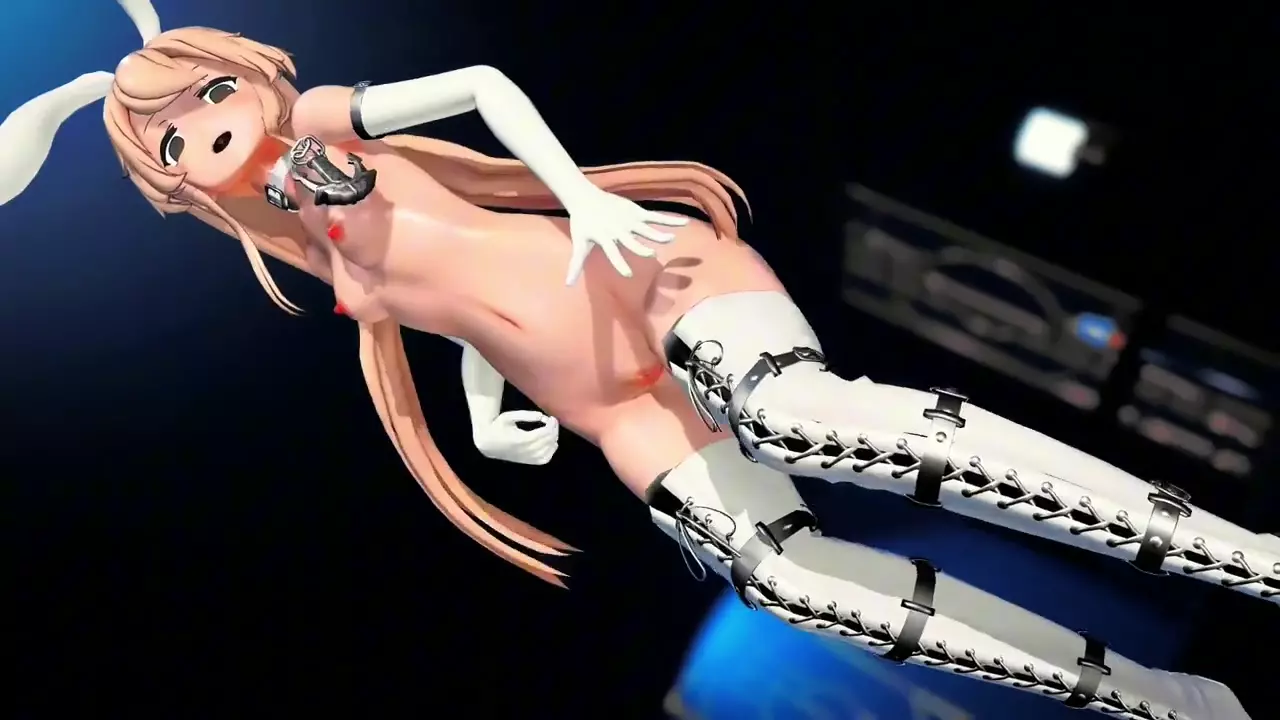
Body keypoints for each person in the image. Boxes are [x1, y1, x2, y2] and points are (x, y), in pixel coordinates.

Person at [2, 3, 1270, 718]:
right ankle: (1147, 697)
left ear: (241, 76)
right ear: (172, 187)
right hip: (605, 405)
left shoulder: (332, 122)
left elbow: (481, 85)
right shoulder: (326, 270)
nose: (203, 138)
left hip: (645, 283)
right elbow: (464, 315)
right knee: (783, 579)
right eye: (171, 147)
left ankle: (1236, 553)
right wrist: (486, 418)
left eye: (202, 104)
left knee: (797, 421)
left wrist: (577, 197)